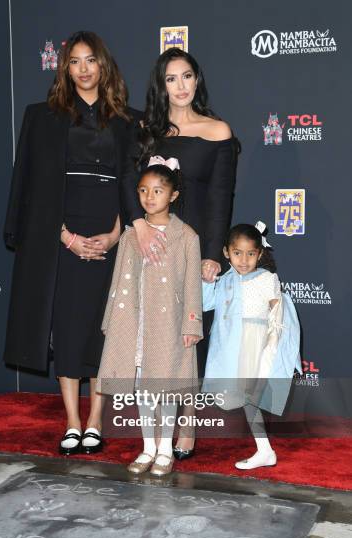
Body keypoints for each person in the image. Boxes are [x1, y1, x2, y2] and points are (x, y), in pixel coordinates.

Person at [4, 31, 141, 456]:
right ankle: (72, 422)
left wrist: (118, 233)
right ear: (65, 68)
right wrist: (66, 238)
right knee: (66, 330)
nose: (83, 69)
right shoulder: (41, 117)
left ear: (104, 65)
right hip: (61, 236)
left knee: (101, 332)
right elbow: (32, 187)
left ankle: (97, 422)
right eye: (75, 62)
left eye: (90, 60)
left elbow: (133, 184)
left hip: (110, 233)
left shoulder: (127, 120)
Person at [124, 47, 238, 459]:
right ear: (162, 86)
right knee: (151, 340)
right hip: (149, 250)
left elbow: (221, 198)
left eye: (186, 76)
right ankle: (153, 431)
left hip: (192, 252)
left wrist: (213, 254)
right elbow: (128, 186)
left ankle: (186, 427)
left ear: (197, 79)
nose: (180, 86)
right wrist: (136, 224)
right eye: (171, 79)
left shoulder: (217, 131)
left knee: (188, 341)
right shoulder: (145, 131)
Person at [97, 160, 203, 476]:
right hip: (134, 321)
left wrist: (192, 324)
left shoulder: (186, 236)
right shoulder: (131, 234)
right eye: (143, 190)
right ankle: (147, 448)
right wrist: (109, 320)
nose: (149, 197)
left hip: (168, 324)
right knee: (142, 387)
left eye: (158, 190)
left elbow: (192, 285)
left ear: (173, 195)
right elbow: (118, 278)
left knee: (165, 386)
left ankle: (166, 450)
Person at [202, 223, 302, 469]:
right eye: (237, 253)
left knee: (250, 399)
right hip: (230, 347)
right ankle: (265, 450)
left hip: (255, 347)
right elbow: (206, 305)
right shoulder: (225, 280)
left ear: (260, 254)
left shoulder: (267, 279)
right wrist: (206, 282)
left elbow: (277, 316)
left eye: (250, 254)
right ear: (226, 253)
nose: (244, 260)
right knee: (247, 401)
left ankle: (265, 450)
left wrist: (269, 353)